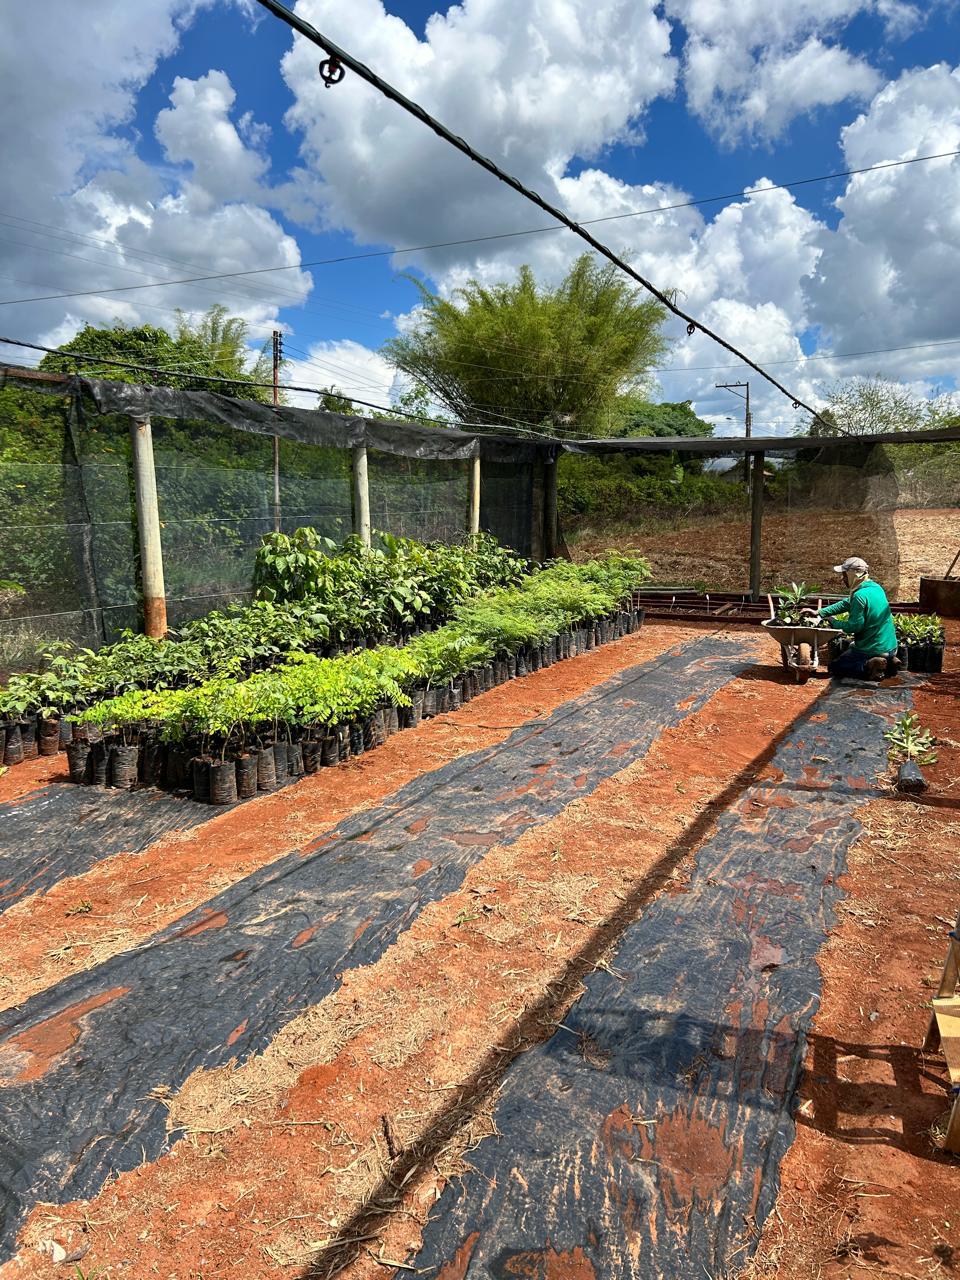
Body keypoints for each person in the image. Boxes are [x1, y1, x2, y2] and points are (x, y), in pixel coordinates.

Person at [801, 556, 900, 681]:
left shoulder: (859, 596)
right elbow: (846, 603)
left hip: (873, 648)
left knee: (835, 667)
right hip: (891, 647)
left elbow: (854, 627)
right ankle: (890, 662)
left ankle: (870, 666)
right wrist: (820, 612)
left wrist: (834, 622)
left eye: (845, 575)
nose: (843, 579)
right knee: (851, 651)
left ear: (853, 575)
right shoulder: (876, 588)